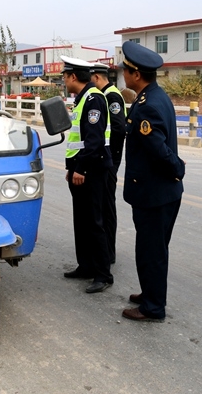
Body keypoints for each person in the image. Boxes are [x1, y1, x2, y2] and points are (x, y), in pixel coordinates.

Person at [119, 41, 185, 322]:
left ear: (136, 74)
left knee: (152, 252)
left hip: (155, 193)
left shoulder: (148, 106)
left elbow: (159, 150)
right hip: (158, 192)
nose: (123, 74)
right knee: (152, 249)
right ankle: (150, 293)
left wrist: (178, 168)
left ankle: (153, 307)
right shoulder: (154, 96)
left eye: (125, 70)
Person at [61, 55, 114, 294]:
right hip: (81, 168)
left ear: (73, 76)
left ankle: (103, 274)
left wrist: (81, 169)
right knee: (81, 221)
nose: (64, 81)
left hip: (92, 169)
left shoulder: (94, 99)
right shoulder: (82, 99)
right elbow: (77, 139)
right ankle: (86, 266)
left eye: (65, 77)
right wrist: (71, 168)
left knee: (94, 222)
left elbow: (94, 140)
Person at [90, 62, 126, 264]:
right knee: (103, 204)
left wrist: (109, 155)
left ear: (96, 77)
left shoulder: (111, 96)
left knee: (107, 206)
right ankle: (104, 250)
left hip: (110, 158)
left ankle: (109, 252)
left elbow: (119, 128)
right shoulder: (105, 94)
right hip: (108, 158)